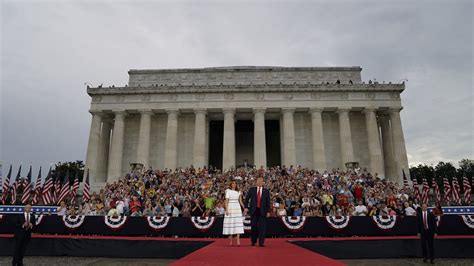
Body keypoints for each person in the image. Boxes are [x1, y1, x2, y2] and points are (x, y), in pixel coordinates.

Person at [244, 176, 271, 247]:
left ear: (263, 182)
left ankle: (261, 242)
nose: (259, 182)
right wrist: (246, 207)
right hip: (253, 211)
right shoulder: (252, 189)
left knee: (262, 227)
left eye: (261, 181)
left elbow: (268, 202)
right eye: (258, 181)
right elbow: (246, 199)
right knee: (253, 227)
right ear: (256, 182)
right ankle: (253, 241)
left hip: (263, 211)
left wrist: (268, 211)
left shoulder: (266, 191)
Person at [223, 180, 244, 246]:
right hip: (230, 207)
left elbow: (240, 201)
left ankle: (238, 241)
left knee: (237, 224)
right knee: (231, 223)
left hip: (237, 208)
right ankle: (231, 240)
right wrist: (226, 209)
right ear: (231, 184)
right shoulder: (228, 191)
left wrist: (245, 207)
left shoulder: (239, 192)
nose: (234, 184)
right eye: (233, 183)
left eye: (235, 183)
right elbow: (226, 201)